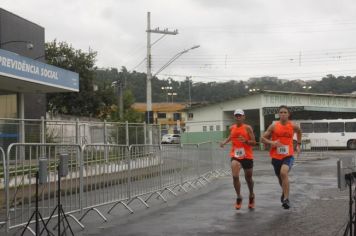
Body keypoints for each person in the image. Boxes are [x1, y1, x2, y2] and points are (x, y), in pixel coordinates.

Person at [261, 105, 302, 209]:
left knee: (284, 173)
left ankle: (286, 199)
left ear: (288, 114)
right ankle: (284, 191)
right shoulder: (273, 126)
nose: (283, 114)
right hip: (276, 156)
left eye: (285, 112)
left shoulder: (293, 126)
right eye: (281, 112)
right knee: (280, 177)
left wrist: (298, 144)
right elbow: (262, 139)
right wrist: (272, 142)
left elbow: (299, 132)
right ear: (279, 114)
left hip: (288, 155)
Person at [220, 109, 257, 210]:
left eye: (240, 115)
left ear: (244, 117)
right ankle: (239, 196)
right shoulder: (232, 128)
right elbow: (230, 137)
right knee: (235, 176)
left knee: (248, 178)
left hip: (247, 156)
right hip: (236, 155)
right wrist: (224, 142)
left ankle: (251, 195)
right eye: (236, 116)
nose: (238, 117)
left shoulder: (248, 128)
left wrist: (246, 141)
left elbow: (254, 142)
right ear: (234, 117)